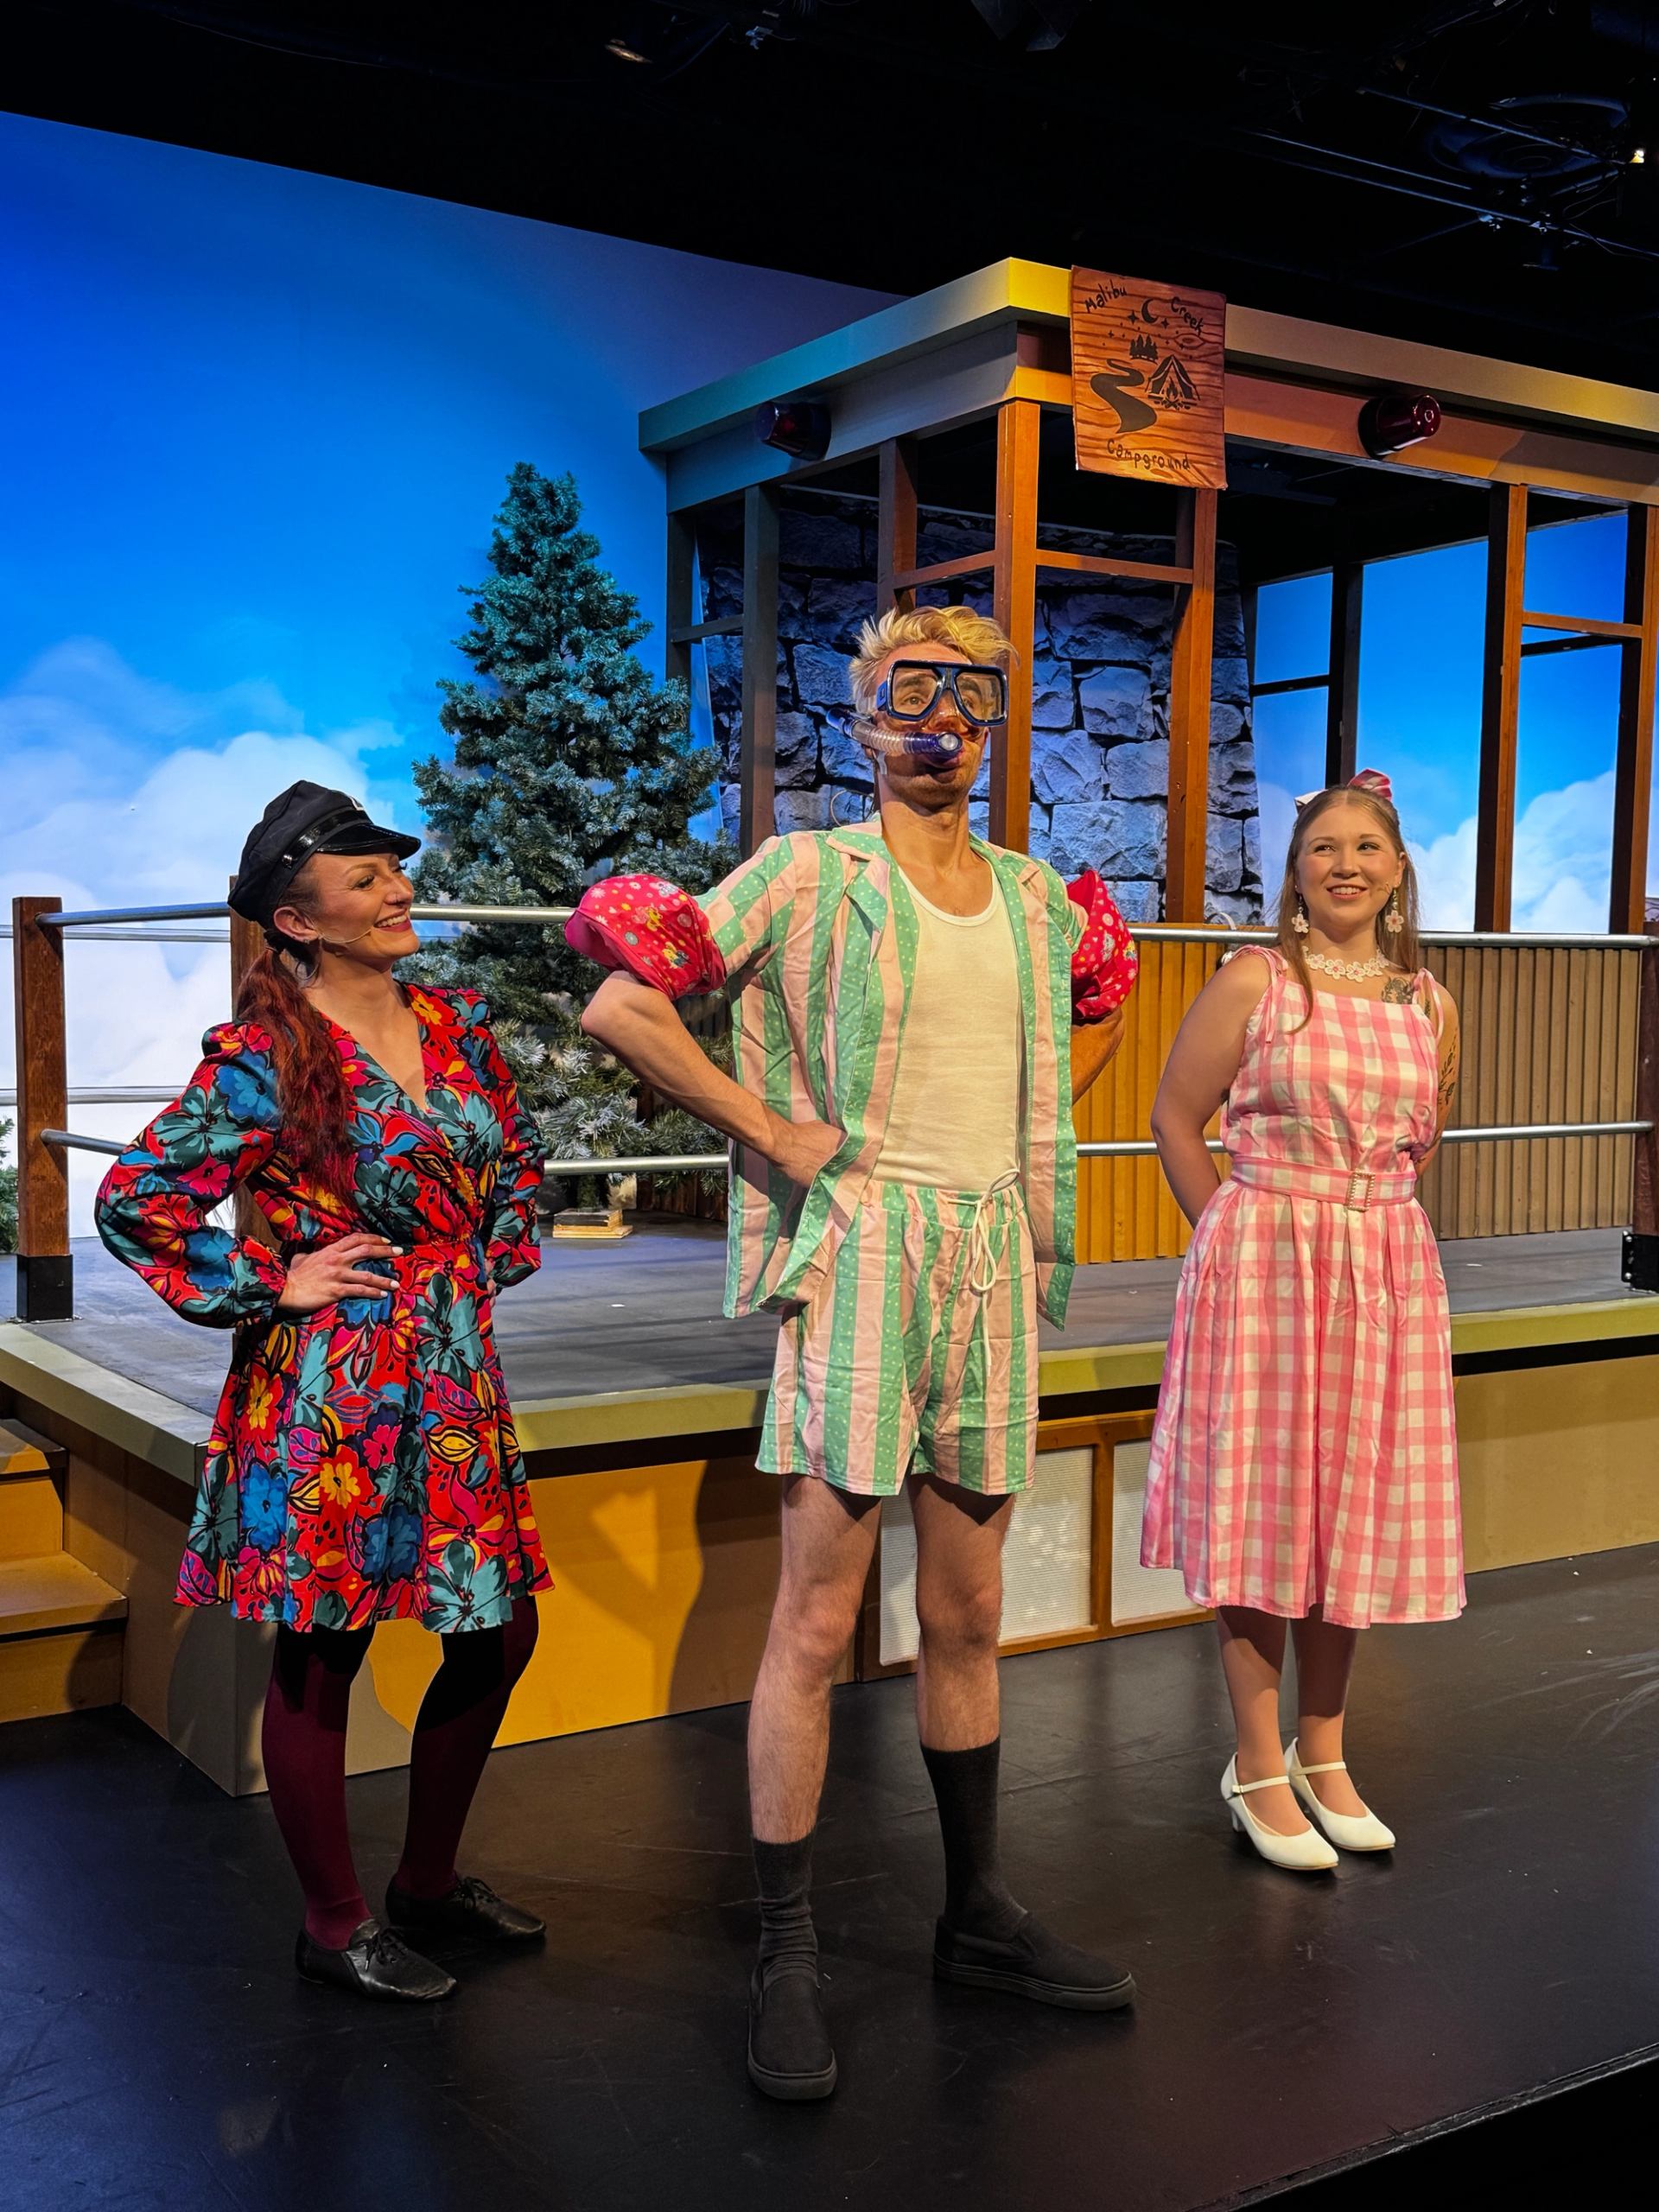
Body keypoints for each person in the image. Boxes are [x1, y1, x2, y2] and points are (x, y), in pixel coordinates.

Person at [567, 605, 1140, 2101]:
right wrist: (772, 1129)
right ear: (863, 709)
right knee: (817, 1624)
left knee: (968, 1612)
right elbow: (623, 1000)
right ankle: (789, 1951)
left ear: (998, 714)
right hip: (866, 1253)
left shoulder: (1034, 899)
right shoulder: (809, 871)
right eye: (908, 689)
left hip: (990, 1254)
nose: (938, 719)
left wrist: (1029, 1137)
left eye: (968, 692)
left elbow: (1073, 1035)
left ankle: (977, 1914)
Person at [95, 782, 551, 1999]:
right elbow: (136, 1202)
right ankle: (335, 1921)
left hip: (452, 1376)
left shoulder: (457, 1025)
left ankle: (428, 1886)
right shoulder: (267, 1059)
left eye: (393, 869)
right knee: (323, 1646)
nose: (399, 889)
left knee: (499, 1629)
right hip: (330, 1392)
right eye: (365, 878)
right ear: (298, 921)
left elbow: (518, 1159)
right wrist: (272, 1280)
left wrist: (479, 1262)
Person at [1141, 769, 1462, 1872]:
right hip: (1267, 1268)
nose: (1345, 864)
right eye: (1324, 847)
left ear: (1397, 868)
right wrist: (1228, 1237)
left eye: (1366, 847)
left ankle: (1323, 1751)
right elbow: (1176, 1117)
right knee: (1264, 1510)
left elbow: (1418, 1142)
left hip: (1380, 1270)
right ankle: (1255, 1760)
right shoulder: (1257, 979)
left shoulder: (1429, 1002)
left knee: (1350, 1507)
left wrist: (1362, 1225)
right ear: (1295, 869)